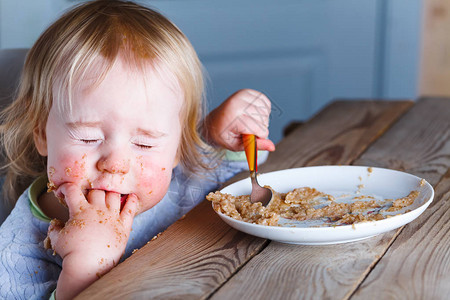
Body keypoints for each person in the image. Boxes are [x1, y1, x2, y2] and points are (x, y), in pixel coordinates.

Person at [0, 1, 275, 299]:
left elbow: (237, 176)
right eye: (89, 137)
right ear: (40, 130)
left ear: (177, 147)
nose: (116, 164)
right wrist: (84, 269)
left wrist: (220, 134)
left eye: (145, 143)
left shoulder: (182, 184)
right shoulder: (18, 250)